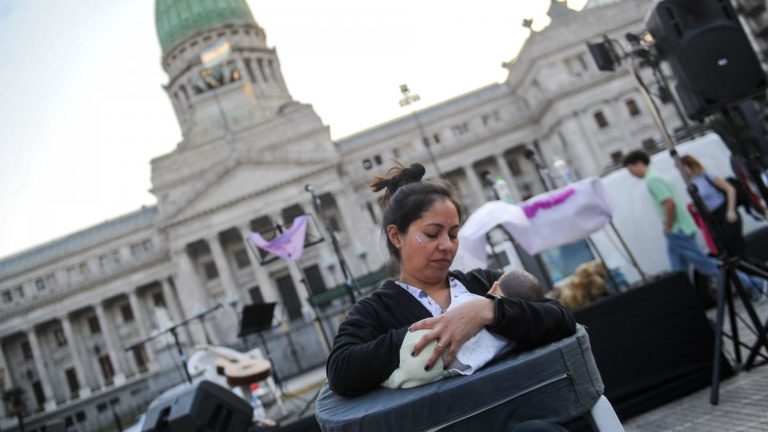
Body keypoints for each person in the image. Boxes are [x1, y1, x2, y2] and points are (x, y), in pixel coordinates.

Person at [326, 162, 576, 399]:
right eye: (432, 234)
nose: (447, 246)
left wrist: (488, 310)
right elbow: (340, 371)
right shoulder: (374, 311)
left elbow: (561, 319)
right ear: (396, 236)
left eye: (453, 234)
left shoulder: (484, 283)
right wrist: (430, 332)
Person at [623, 150, 765, 301]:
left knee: (706, 265)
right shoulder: (656, 177)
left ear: (638, 164)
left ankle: (753, 283)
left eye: (630, 169)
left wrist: (668, 226)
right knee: (679, 272)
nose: (631, 174)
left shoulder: (653, 180)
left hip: (678, 230)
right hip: (679, 229)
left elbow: (669, 202)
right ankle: (685, 302)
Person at [382, 269, 545, 389]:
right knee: (402, 378)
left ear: (494, 287)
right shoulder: (509, 339)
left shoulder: (472, 300)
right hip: (441, 367)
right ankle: (391, 380)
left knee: (398, 373)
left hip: (420, 339)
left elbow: (450, 313)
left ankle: (388, 379)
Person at [679, 154, 744, 255]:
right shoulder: (691, 184)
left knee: (736, 246)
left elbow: (730, 189)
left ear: (690, 166)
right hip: (713, 217)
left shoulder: (706, 176)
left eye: (683, 168)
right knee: (727, 249)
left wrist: (731, 210)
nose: (682, 172)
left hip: (724, 211)